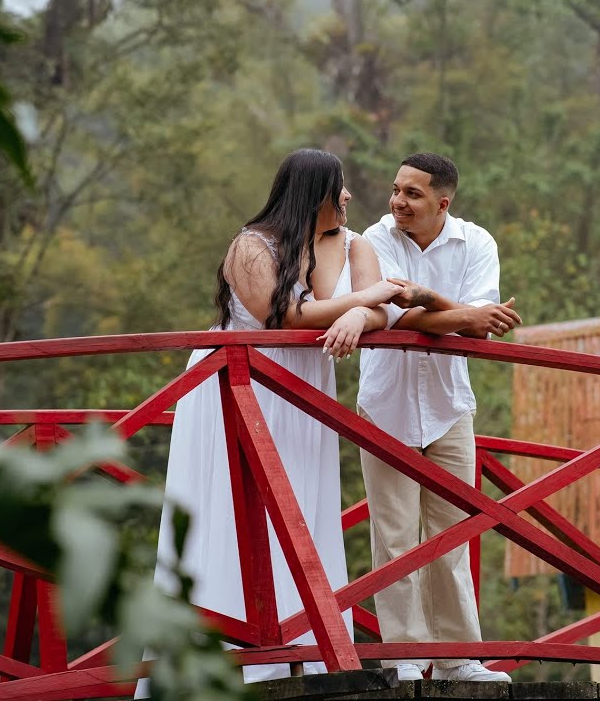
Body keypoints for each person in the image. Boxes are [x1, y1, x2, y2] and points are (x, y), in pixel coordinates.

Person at [137, 148, 404, 695]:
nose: (349, 197)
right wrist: (367, 298)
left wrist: (361, 308)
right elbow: (281, 316)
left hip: (304, 392)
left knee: (301, 512)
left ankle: (298, 649)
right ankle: (219, 655)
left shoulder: (354, 245)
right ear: (313, 195)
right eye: (340, 188)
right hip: (236, 384)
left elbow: (384, 309)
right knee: (228, 511)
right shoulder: (251, 246)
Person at [355, 152, 522, 683]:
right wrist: (464, 314)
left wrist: (437, 305)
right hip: (386, 405)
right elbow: (392, 316)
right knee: (396, 537)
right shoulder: (373, 239)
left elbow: (477, 327)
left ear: (442, 203)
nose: (397, 202)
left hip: (451, 408)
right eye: (396, 189)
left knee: (452, 537)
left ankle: (458, 662)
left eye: (412, 194)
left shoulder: (477, 243)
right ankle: (402, 661)